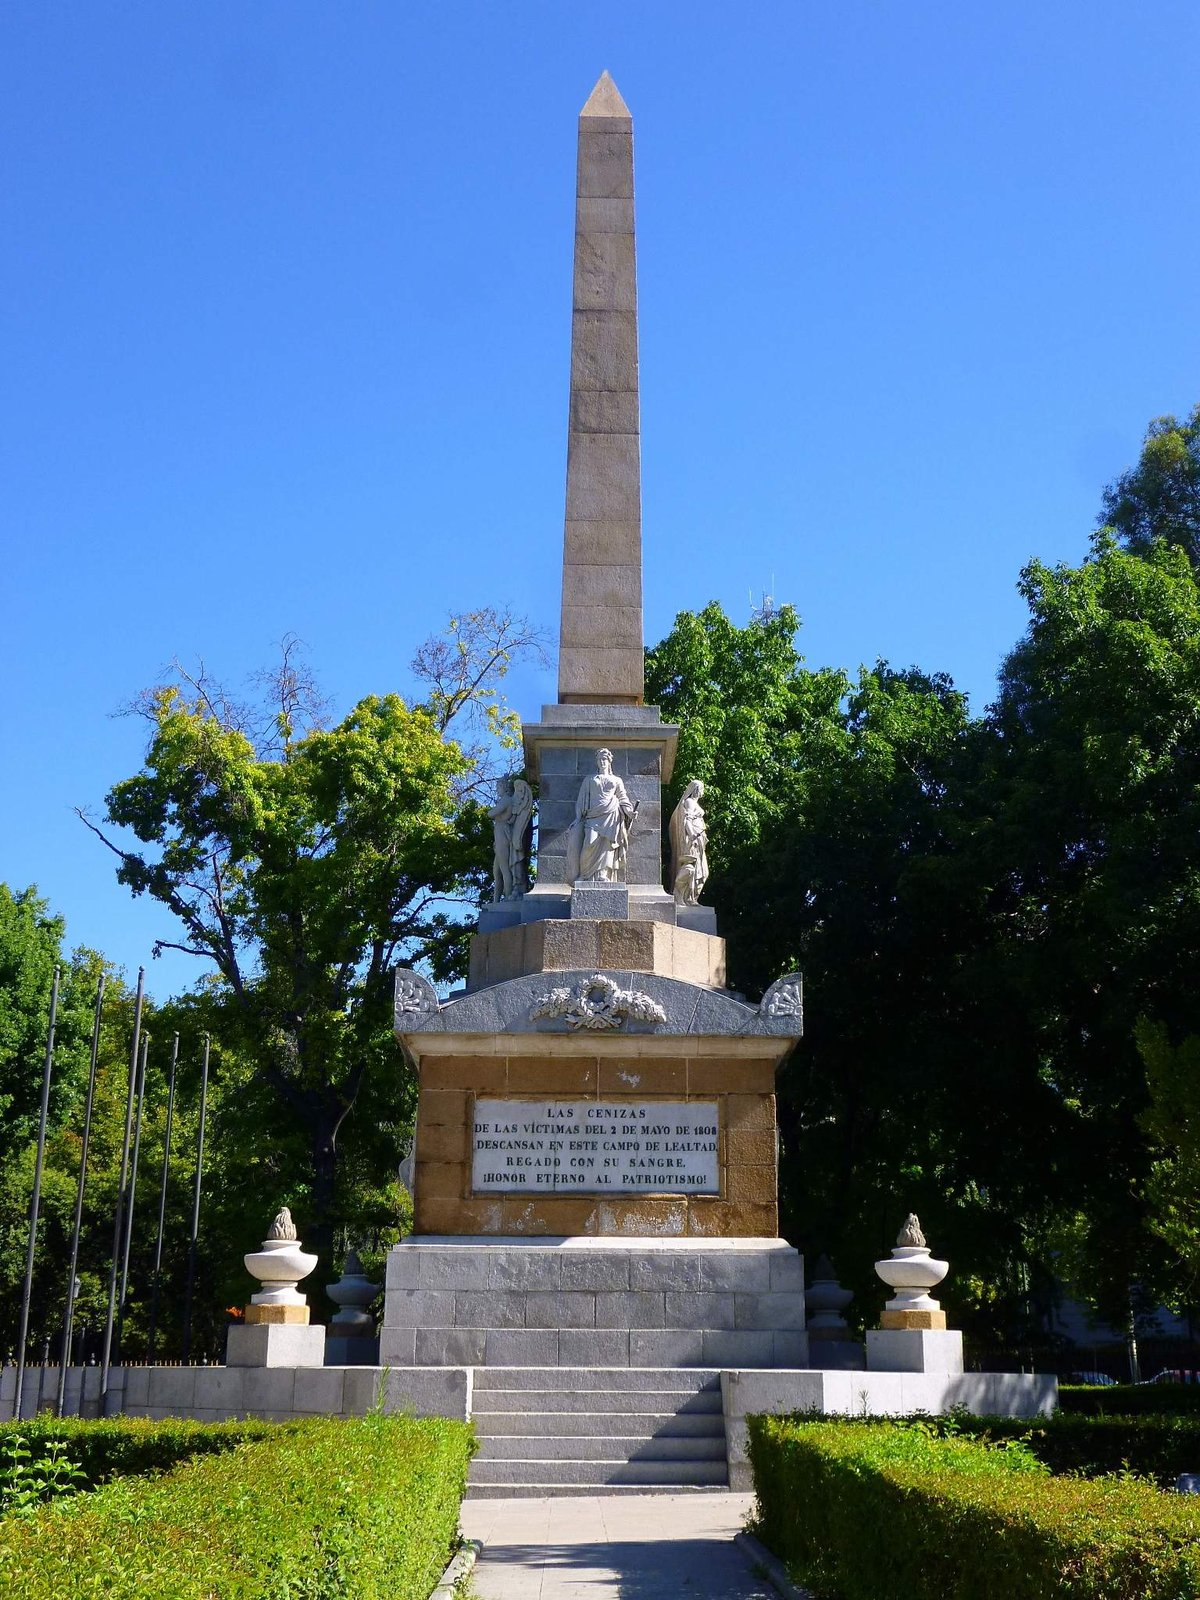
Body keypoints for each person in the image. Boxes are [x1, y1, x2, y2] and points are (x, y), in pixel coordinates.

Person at [568, 749, 636, 883]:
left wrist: (629, 812)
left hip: (611, 815)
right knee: (589, 843)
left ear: (609, 761)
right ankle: (585, 874)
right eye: (599, 759)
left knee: (607, 846)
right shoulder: (590, 779)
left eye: (604, 759)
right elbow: (582, 800)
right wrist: (577, 818)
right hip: (593, 816)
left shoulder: (616, 780)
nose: (602, 762)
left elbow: (623, 797)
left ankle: (603, 875)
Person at [669, 779, 709, 905]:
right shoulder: (690, 802)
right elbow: (687, 820)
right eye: (700, 788)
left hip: (699, 837)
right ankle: (683, 895)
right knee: (691, 868)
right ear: (696, 789)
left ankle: (691, 897)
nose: (701, 791)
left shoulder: (693, 803)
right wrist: (692, 836)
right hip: (694, 838)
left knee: (702, 870)